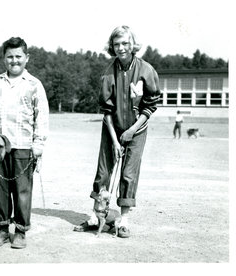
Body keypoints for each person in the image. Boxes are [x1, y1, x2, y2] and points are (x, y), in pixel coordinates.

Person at [74, 26, 161, 238]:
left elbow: (150, 106)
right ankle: (96, 216)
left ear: (133, 45)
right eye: (116, 44)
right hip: (112, 128)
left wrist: (132, 130)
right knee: (103, 171)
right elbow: (106, 111)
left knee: (129, 174)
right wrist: (114, 140)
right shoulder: (108, 72)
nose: (121, 48)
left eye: (125, 43)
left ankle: (123, 221)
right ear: (111, 46)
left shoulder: (146, 70)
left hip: (137, 129)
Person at [0, 37, 49, 249]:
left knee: (22, 191)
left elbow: (41, 116)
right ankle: (1, 229)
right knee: (0, 189)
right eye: (10, 57)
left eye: (18, 56)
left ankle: (20, 232)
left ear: (27, 58)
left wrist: (39, 144)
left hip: (23, 146)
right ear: (4, 58)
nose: (14, 61)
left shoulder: (34, 85)